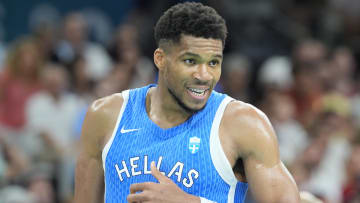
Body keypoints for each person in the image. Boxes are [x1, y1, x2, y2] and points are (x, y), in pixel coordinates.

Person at [74, 2, 300, 203]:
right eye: (190, 61)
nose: (204, 75)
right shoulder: (105, 116)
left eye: (213, 63)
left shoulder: (244, 123)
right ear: (160, 59)